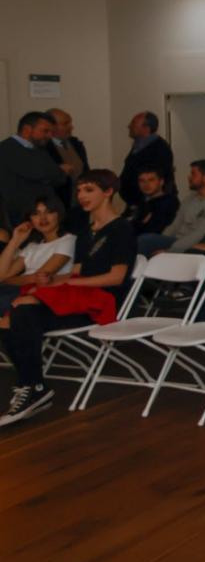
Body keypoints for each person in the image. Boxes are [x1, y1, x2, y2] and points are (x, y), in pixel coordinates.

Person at [0, 170, 134, 427]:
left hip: (99, 301)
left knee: (23, 309)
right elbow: (75, 272)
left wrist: (65, 284)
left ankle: (32, 387)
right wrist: (53, 284)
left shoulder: (121, 228)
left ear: (108, 192)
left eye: (89, 190)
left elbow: (116, 278)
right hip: (78, 295)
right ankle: (33, 386)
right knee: (17, 313)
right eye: (80, 190)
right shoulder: (87, 230)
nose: (81, 196)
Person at [0, 195, 76, 315]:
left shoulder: (68, 240)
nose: (42, 218)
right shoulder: (32, 246)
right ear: (30, 220)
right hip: (18, 289)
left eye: (49, 212)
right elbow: (1, 276)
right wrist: (15, 241)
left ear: (59, 214)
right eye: (36, 214)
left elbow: (39, 278)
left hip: (42, 293)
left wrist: (8, 280)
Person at [136, 159, 205, 256]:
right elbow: (175, 225)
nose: (189, 177)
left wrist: (170, 251)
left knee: (144, 241)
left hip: (193, 245)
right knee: (146, 241)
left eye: (193, 174)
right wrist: (159, 241)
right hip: (175, 241)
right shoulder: (190, 197)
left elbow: (201, 232)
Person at [0, 112, 67, 229]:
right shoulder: (6, 149)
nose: (50, 136)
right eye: (45, 131)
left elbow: (59, 178)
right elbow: (39, 173)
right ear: (27, 130)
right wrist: (55, 173)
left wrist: (55, 173)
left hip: (43, 215)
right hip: (20, 217)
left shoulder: (39, 150)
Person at [119, 111, 175, 207]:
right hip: (137, 204)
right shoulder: (138, 146)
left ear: (146, 128)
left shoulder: (160, 149)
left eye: (133, 123)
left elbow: (157, 178)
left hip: (152, 205)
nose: (129, 126)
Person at [44, 109, 90, 225]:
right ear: (51, 126)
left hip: (80, 204)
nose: (71, 127)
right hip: (58, 205)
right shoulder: (43, 148)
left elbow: (85, 170)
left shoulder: (76, 144)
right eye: (65, 124)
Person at [123, 169, 180, 236]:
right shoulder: (136, 201)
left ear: (161, 182)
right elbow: (122, 224)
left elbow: (154, 230)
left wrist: (137, 223)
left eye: (151, 180)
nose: (146, 184)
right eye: (142, 181)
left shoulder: (169, 202)